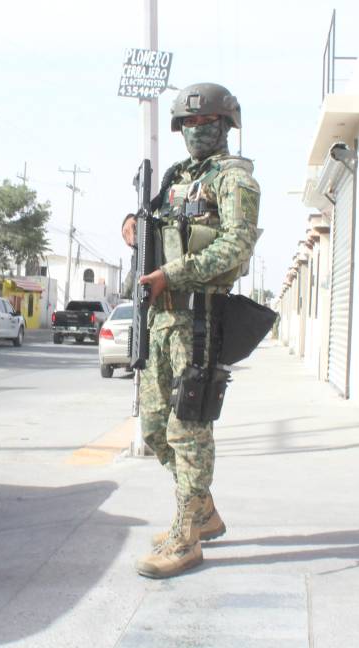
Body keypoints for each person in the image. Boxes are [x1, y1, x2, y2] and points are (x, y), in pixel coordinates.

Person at [122, 82, 261, 579]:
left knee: (189, 428)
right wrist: (132, 227)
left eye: (207, 124)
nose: (197, 132)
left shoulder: (234, 180)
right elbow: (153, 224)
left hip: (200, 318)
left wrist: (172, 275)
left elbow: (235, 248)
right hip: (160, 318)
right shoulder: (179, 178)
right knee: (155, 428)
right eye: (190, 125)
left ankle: (186, 538)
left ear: (226, 126)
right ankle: (202, 511)